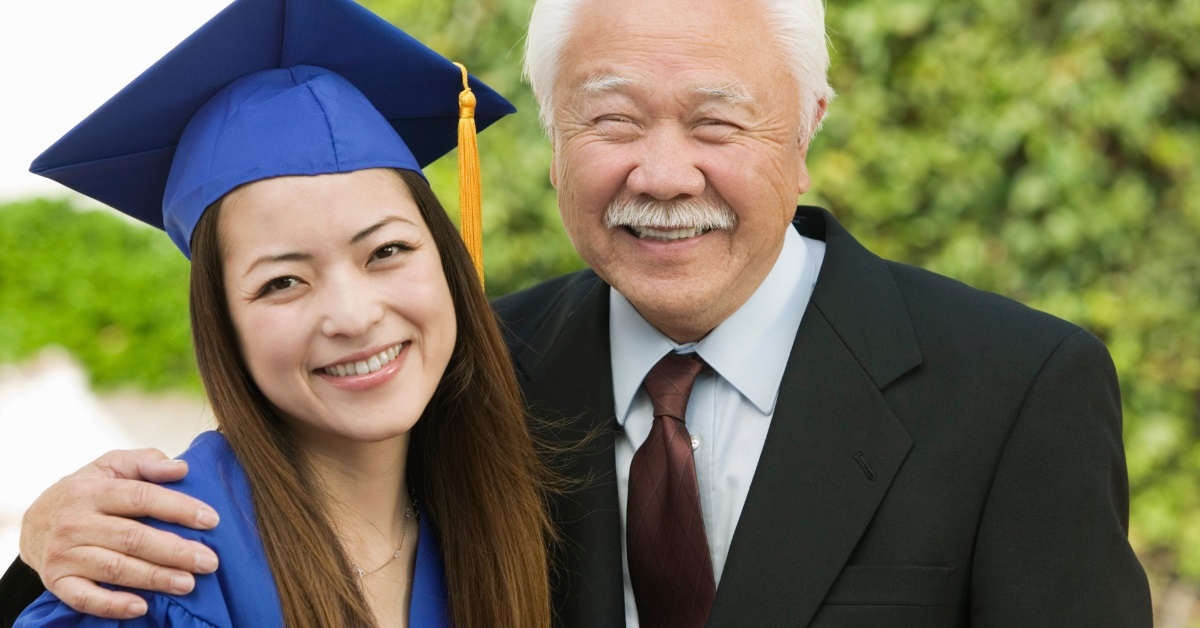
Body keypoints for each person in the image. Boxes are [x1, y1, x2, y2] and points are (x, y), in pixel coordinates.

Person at [1, 0, 1154, 626]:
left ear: (807, 127)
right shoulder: (473, 378)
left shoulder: (1013, 388)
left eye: (717, 122)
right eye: (610, 121)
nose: (662, 174)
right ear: (552, 145)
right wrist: (41, 558)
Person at [2, 0, 554, 626]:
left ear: (447, 259)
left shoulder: (484, 513)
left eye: (387, 250)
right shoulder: (155, 570)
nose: (352, 315)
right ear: (222, 323)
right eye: (282, 281)